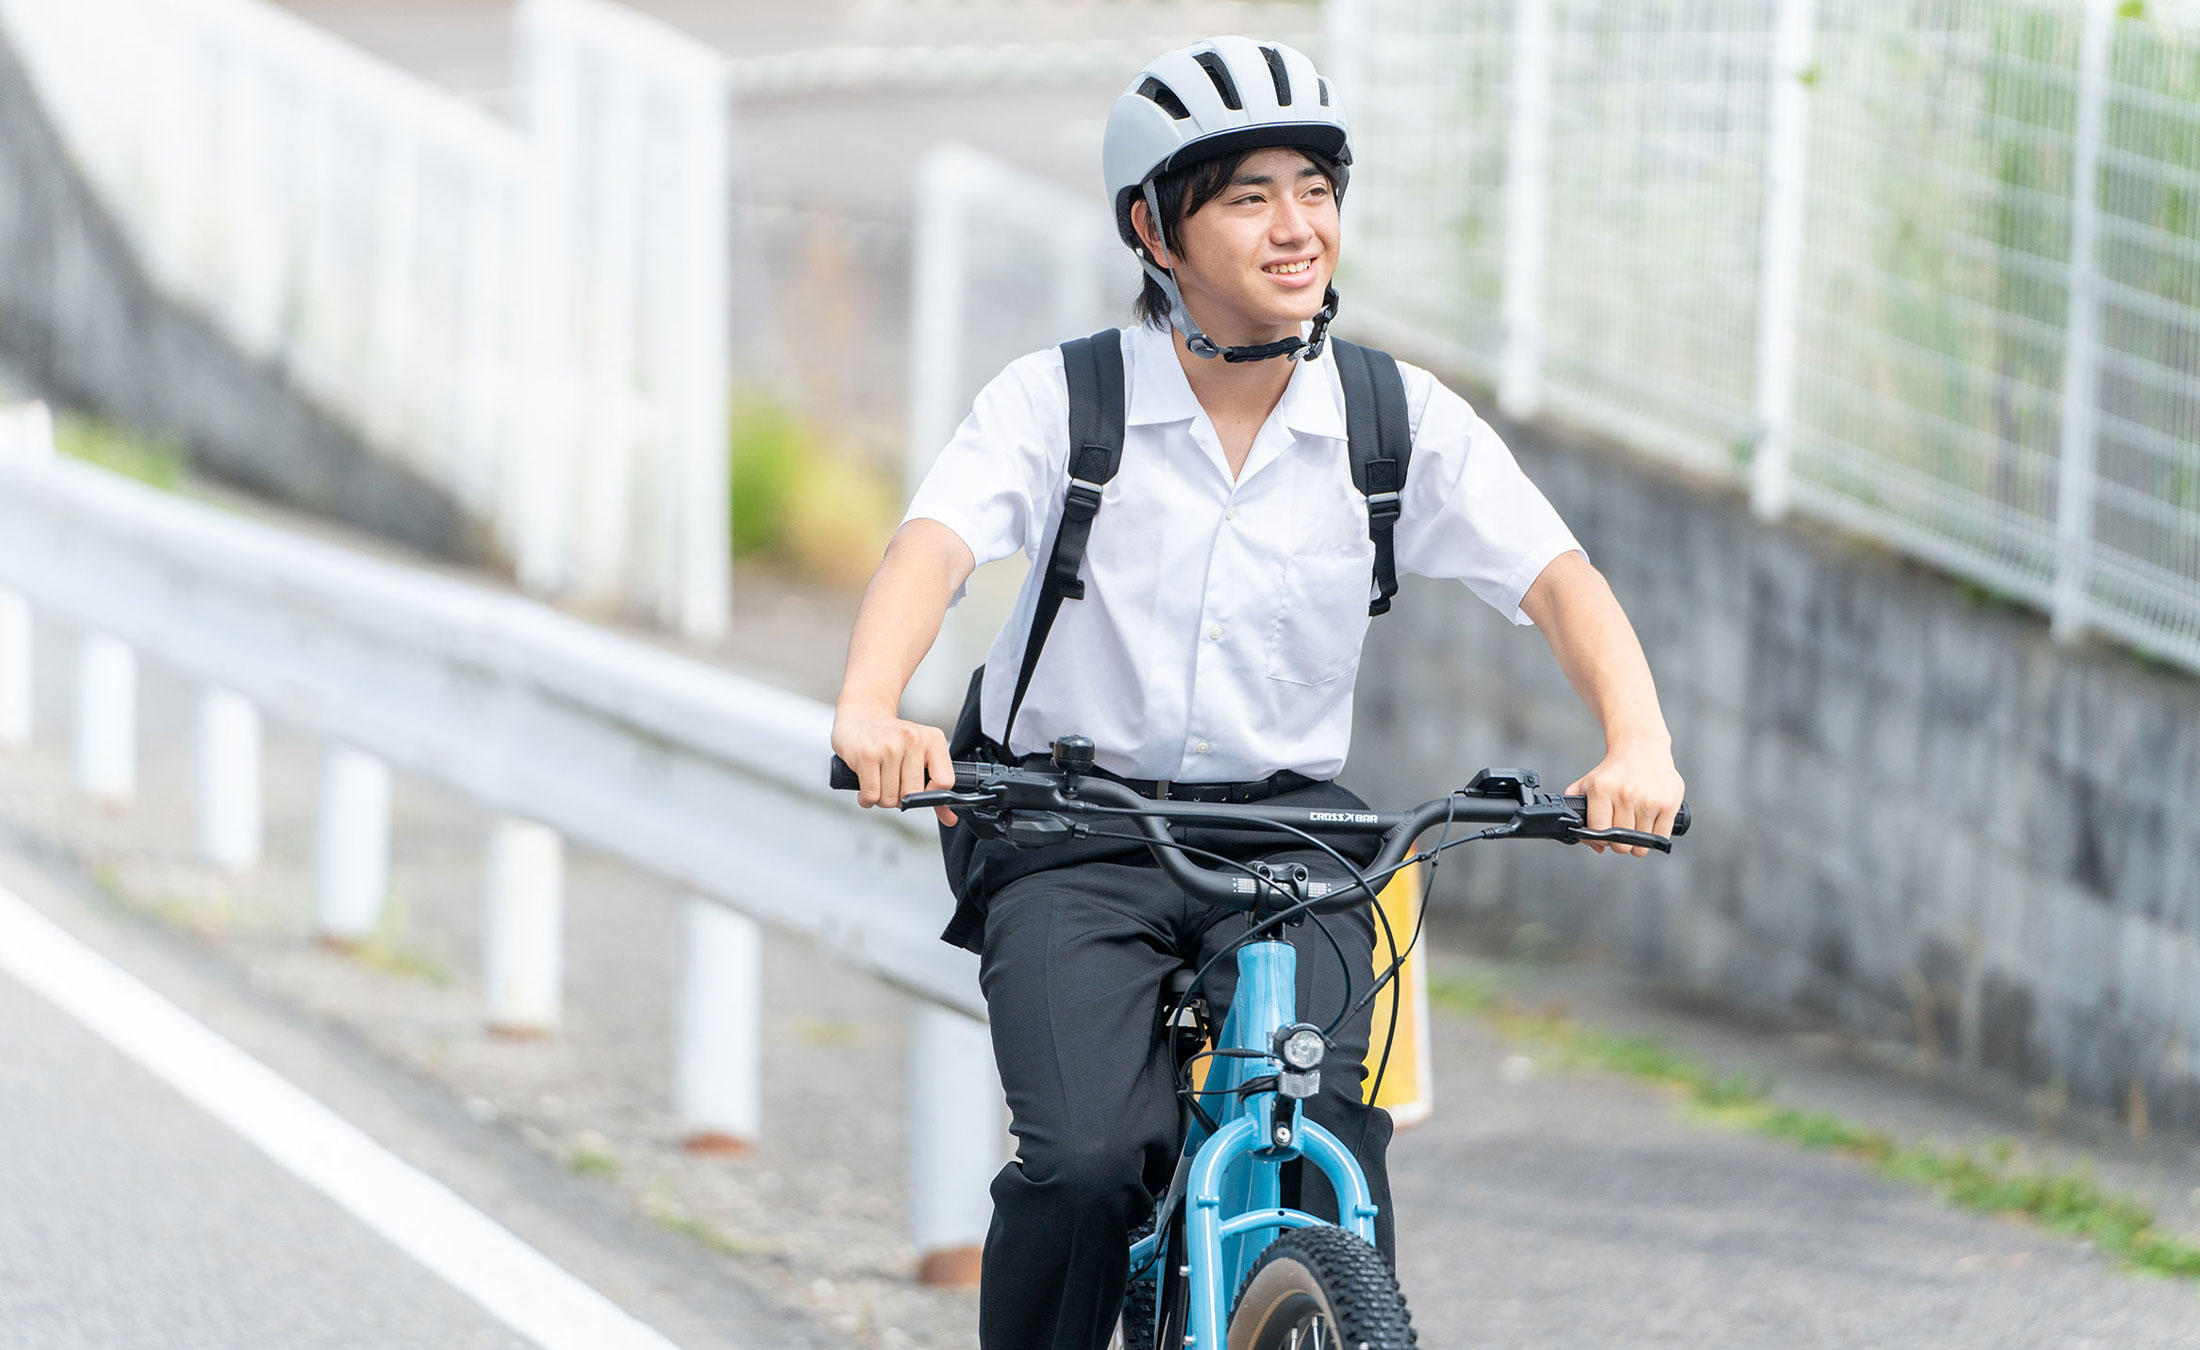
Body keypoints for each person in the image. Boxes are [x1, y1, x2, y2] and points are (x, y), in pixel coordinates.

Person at [831, 35, 1685, 1349]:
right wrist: (872, 706)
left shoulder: (1392, 420)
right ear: (1154, 230)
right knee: (1090, 1161)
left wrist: (1638, 741)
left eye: (1316, 190)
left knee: (1328, 1141)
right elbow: (932, 549)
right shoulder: (1063, 403)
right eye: (1249, 197)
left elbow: (1561, 581)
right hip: (1069, 826)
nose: (1298, 228)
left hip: (1294, 837)